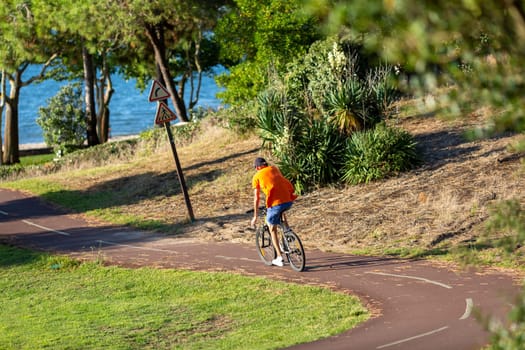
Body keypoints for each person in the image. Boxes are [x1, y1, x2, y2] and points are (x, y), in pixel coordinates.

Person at [251, 157, 297, 267]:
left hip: (275, 204)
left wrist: (255, 216)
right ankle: (287, 231)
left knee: (272, 228)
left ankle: (279, 258)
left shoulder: (257, 176)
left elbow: (256, 198)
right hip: (288, 200)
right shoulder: (274, 168)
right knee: (281, 211)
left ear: (257, 167)